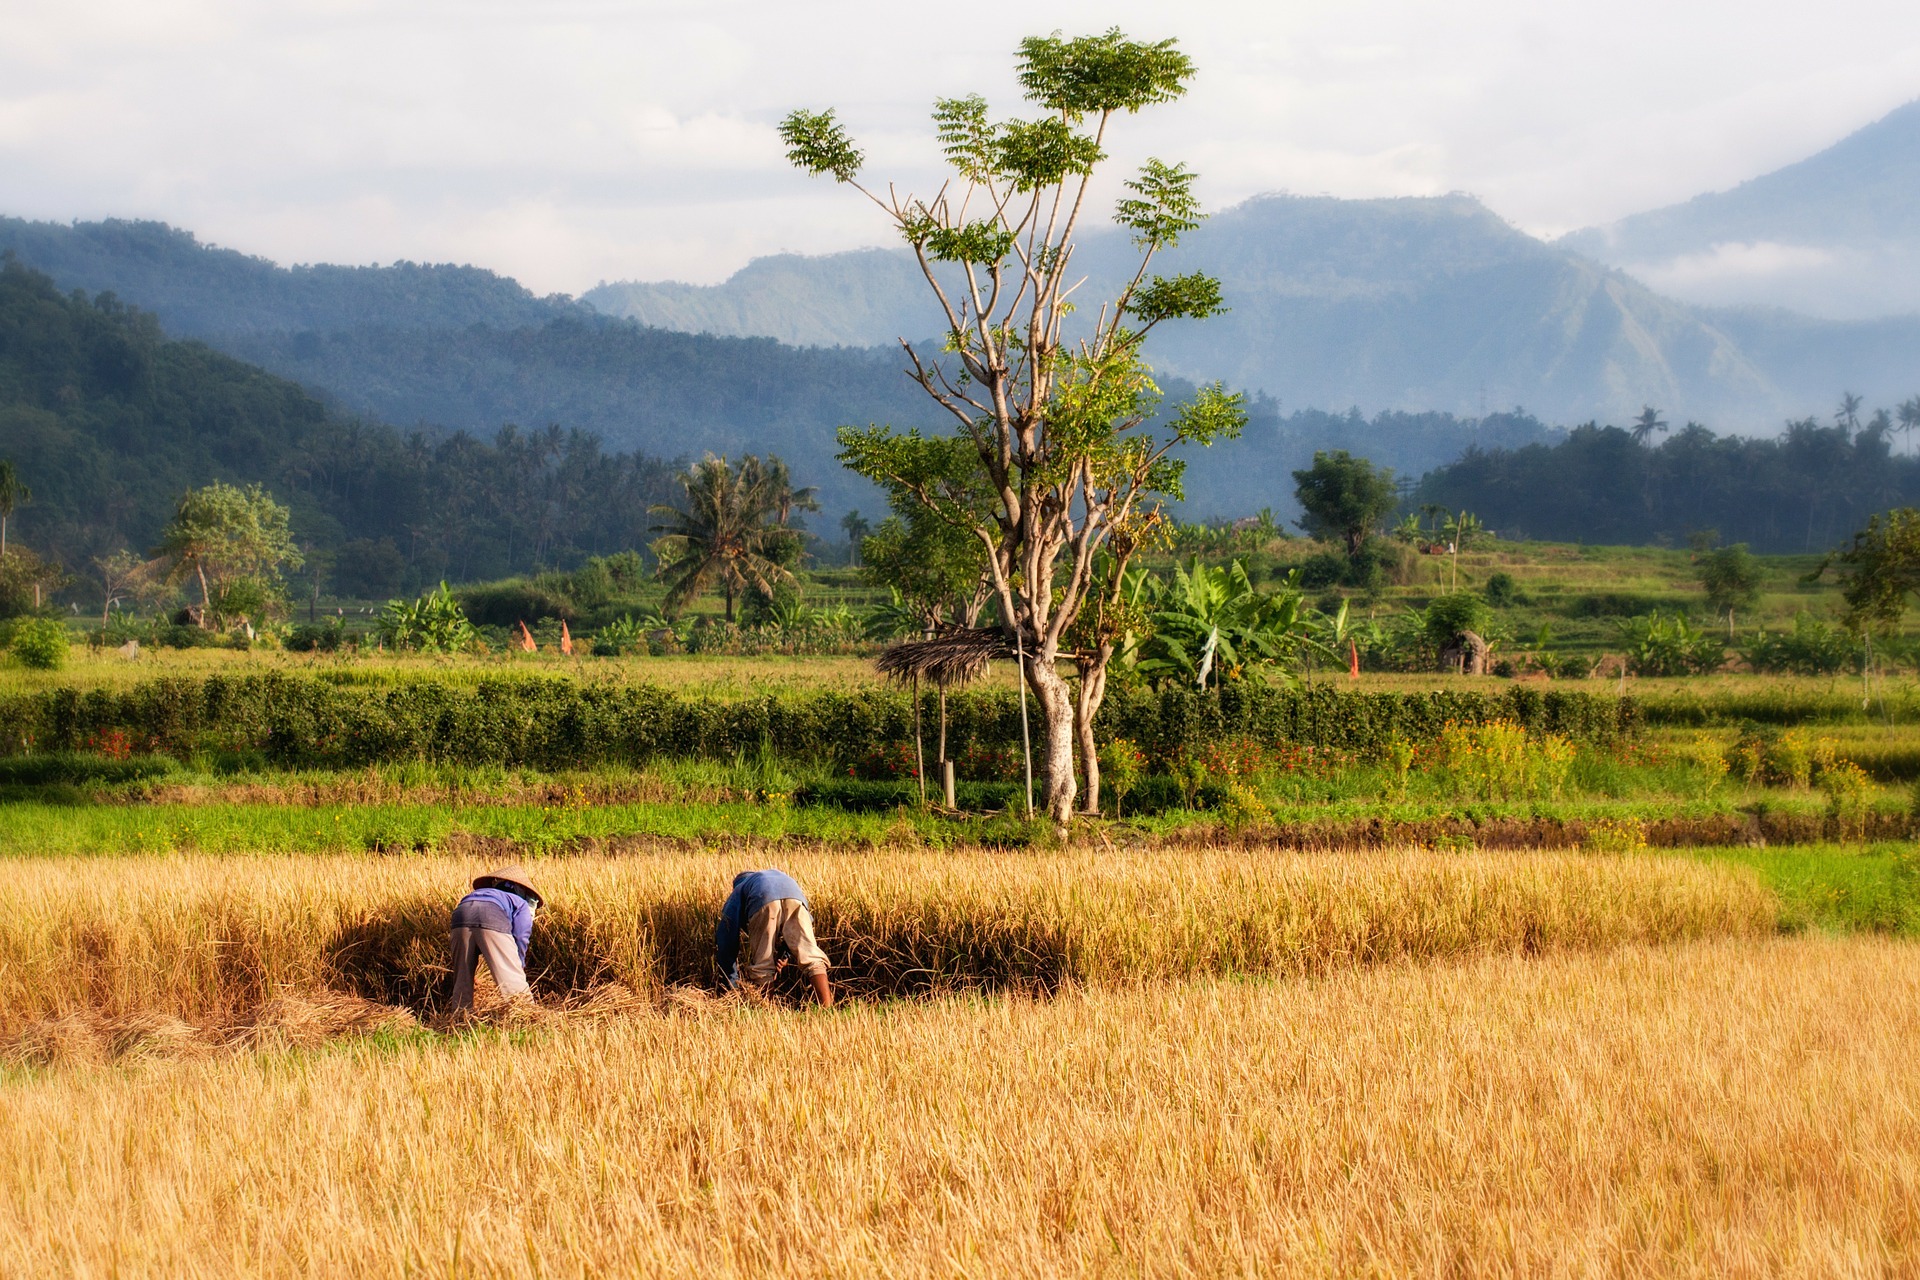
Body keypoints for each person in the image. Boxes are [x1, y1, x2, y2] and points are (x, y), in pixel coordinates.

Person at [716, 868, 833, 1006]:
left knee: (763, 962)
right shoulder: (770, 877)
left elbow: (726, 939)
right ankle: (827, 1006)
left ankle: (767, 1010)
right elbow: (801, 927)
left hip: (763, 898)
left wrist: (732, 983)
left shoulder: (738, 890)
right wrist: (785, 955)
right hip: (795, 897)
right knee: (810, 955)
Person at [449, 864, 543, 1012]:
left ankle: (460, 1017)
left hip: (460, 915)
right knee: (512, 980)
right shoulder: (520, 903)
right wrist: (519, 963)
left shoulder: (482, 893)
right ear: (522, 890)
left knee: (462, 978)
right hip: (492, 915)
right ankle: (525, 1016)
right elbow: (520, 936)